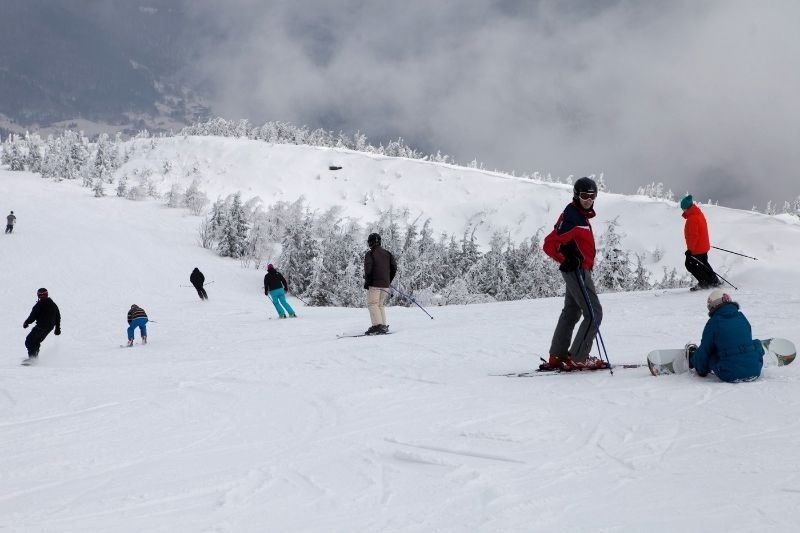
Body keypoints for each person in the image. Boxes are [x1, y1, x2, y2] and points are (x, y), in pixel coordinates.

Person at [541, 177, 606, 370]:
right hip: (577, 271)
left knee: (572, 311)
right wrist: (566, 258)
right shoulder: (573, 217)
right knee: (594, 313)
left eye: (592, 196)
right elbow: (549, 244)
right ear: (577, 195)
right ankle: (579, 357)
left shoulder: (578, 214)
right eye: (584, 195)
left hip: (577, 270)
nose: (588, 199)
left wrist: (569, 256)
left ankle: (557, 355)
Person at [688, 289, 763, 382]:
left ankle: (693, 359)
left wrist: (700, 370)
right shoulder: (742, 317)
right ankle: (751, 359)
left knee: (711, 352)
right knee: (756, 343)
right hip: (755, 370)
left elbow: (705, 349)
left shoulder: (714, 322)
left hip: (729, 373)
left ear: (713, 306)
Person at [680, 194, 720, 291]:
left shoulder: (692, 219)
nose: (682, 210)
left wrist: (690, 250)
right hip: (702, 246)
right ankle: (713, 280)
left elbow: (693, 236)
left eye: (683, 208)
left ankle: (704, 282)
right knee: (703, 264)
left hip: (697, 248)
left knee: (690, 265)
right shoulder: (698, 214)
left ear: (686, 207)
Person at [363, 232, 397, 335]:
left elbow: (368, 270)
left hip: (374, 284)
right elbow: (394, 268)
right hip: (385, 284)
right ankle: (382, 325)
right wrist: (387, 280)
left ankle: (377, 326)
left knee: (373, 304)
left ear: (370, 242)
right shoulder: (388, 253)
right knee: (380, 304)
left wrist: (367, 282)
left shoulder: (370, 253)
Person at [22, 288, 61, 361]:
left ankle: (32, 359)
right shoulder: (53, 304)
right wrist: (57, 328)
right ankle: (34, 358)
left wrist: (26, 322)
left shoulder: (40, 304)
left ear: (46, 295)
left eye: (44, 295)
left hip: (41, 327)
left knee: (29, 341)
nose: (42, 296)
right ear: (38, 296)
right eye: (40, 295)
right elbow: (58, 316)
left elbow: (33, 315)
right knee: (35, 342)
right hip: (48, 327)